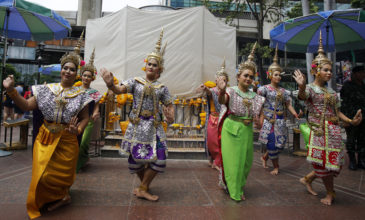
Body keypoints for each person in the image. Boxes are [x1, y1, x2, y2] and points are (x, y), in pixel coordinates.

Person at [3, 35, 92, 219]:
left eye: (72, 70)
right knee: (42, 175)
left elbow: (85, 117)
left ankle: (63, 196)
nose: (68, 72)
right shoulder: (46, 89)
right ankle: (46, 198)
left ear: (77, 73)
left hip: (67, 138)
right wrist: (11, 90)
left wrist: (79, 130)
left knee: (63, 175)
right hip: (45, 137)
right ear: (61, 70)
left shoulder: (82, 95)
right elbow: (27, 105)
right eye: (65, 68)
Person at [101, 29, 174, 201]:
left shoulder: (162, 88)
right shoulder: (135, 81)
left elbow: (170, 105)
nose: (151, 66)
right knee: (136, 159)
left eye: (154, 65)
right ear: (145, 65)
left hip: (155, 127)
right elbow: (120, 90)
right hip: (137, 126)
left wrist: (170, 116)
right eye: (149, 63)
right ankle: (144, 188)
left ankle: (142, 188)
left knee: (160, 158)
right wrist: (111, 85)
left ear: (159, 69)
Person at [293, 31, 362, 205]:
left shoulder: (331, 92)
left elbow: (337, 111)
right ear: (315, 70)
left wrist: (350, 121)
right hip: (319, 132)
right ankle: (331, 193)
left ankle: (308, 179)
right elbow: (302, 96)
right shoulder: (310, 89)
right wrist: (301, 87)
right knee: (323, 165)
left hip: (333, 131)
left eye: (331, 70)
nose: (330, 73)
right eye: (326, 70)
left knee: (331, 165)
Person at [217, 42, 265, 201]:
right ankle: (235, 192)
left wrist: (259, 123)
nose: (248, 78)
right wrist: (222, 90)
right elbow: (223, 100)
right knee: (233, 163)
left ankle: (236, 185)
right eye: (245, 75)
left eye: (251, 76)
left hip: (247, 131)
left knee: (246, 163)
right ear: (238, 76)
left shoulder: (256, 97)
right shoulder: (230, 91)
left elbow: (260, 115)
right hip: (231, 129)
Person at [258, 45, 301, 175]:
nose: (279, 77)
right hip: (269, 120)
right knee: (272, 143)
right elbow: (259, 104)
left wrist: (295, 114)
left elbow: (288, 104)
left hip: (281, 121)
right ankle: (276, 166)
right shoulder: (264, 89)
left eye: (280, 74)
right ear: (270, 75)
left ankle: (265, 157)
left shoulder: (284, 91)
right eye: (276, 74)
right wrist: (259, 119)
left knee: (280, 145)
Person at [197, 59, 229, 170]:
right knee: (211, 141)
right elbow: (210, 93)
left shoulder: (228, 92)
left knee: (221, 141)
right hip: (213, 119)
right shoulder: (213, 91)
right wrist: (206, 88)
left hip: (224, 119)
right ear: (216, 80)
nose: (222, 82)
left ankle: (217, 161)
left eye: (224, 80)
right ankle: (212, 159)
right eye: (220, 80)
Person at [76, 49, 102, 172]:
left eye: (89, 76)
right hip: (75, 120)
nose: (86, 78)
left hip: (89, 121)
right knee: (75, 143)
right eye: (84, 75)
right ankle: (83, 160)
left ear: (92, 78)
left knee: (83, 143)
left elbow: (96, 106)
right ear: (81, 76)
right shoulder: (75, 90)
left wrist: (96, 112)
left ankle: (79, 164)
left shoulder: (94, 93)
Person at [340, 65, 365, 170]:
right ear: (354, 74)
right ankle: (352, 161)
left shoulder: (364, 86)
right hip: (350, 118)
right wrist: (345, 119)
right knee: (351, 140)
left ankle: (361, 160)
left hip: (363, 118)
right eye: (361, 72)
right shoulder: (347, 86)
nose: (363, 75)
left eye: (364, 72)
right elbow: (342, 102)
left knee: (362, 140)